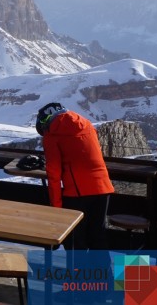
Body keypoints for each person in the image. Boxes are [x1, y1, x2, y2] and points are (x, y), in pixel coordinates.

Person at [36, 102, 114, 250]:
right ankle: (105, 268)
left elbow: (53, 174)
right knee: (98, 236)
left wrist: (56, 208)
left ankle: (78, 267)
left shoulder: (51, 135)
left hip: (77, 192)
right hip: (103, 188)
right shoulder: (87, 124)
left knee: (75, 241)